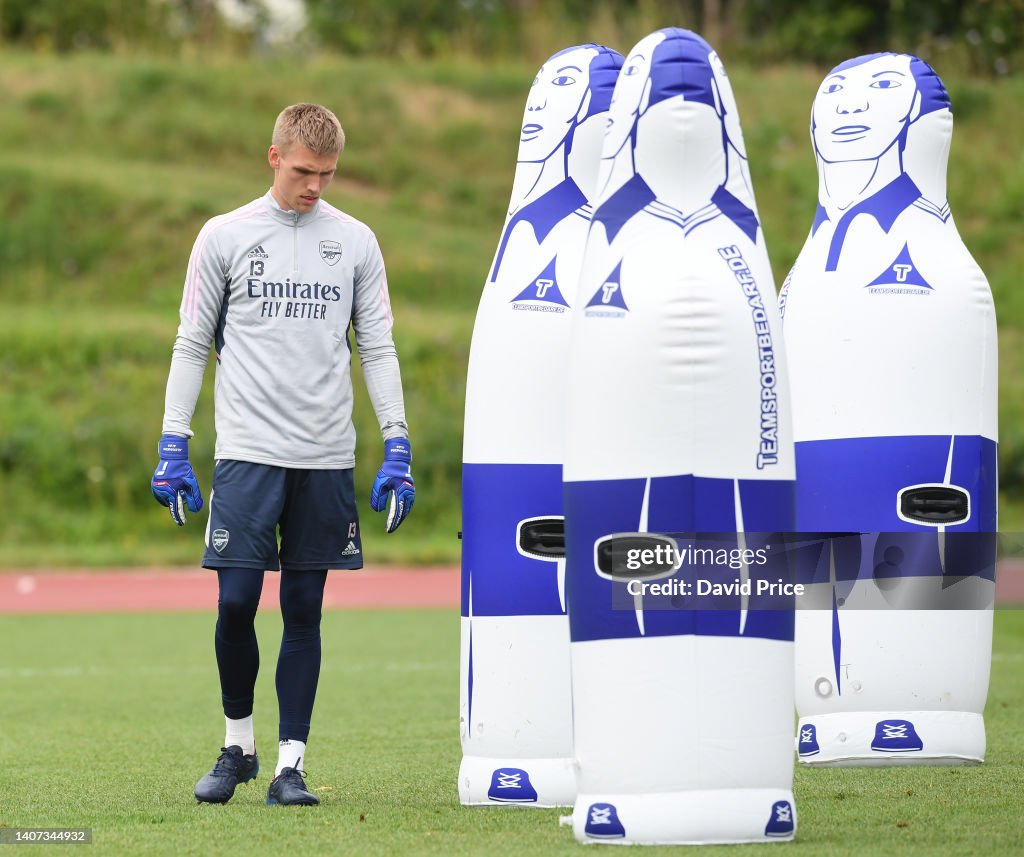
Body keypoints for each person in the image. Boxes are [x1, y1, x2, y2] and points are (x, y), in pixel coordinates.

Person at [150, 103, 415, 807]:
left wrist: (398, 442)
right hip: (246, 452)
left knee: (304, 606)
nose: (315, 186)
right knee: (236, 602)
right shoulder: (224, 236)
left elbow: (379, 347)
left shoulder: (357, 242)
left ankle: (289, 765)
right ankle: (237, 744)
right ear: (274, 157)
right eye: (303, 171)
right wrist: (174, 440)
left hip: (325, 456)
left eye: (327, 174)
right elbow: (190, 342)